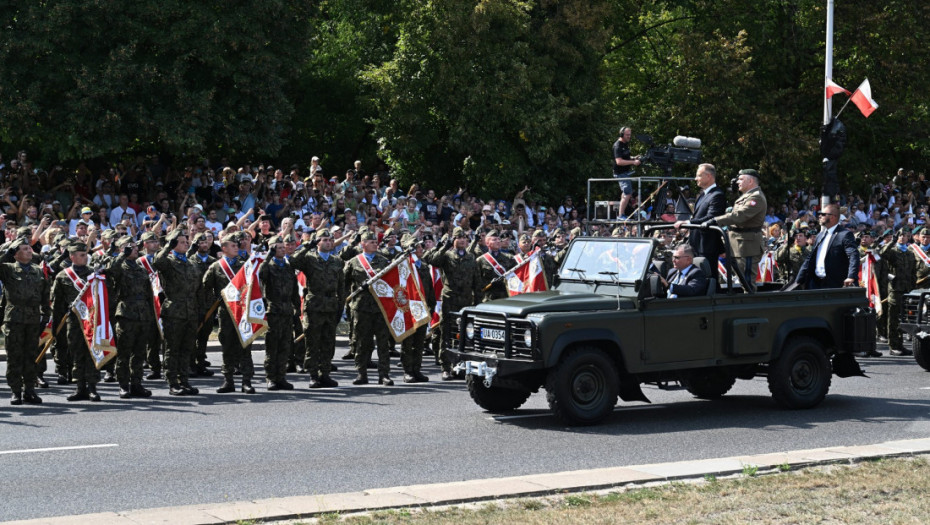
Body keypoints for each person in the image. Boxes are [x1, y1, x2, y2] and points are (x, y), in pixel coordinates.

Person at [290, 228, 345, 388]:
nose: (328, 242)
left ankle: (325, 374)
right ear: (317, 242)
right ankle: (313, 375)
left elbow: (341, 286)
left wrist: (340, 306)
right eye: (324, 240)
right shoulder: (309, 258)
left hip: (331, 305)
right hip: (314, 305)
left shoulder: (337, 261)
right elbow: (293, 261)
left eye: (330, 240)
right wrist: (307, 245)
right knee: (313, 342)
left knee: (328, 342)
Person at [423, 227, 480, 380]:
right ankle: (446, 367)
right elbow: (432, 260)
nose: (462, 240)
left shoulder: (471, 257)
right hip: (450, 299)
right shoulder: (447, 256)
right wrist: (443, 246)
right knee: (446, 334)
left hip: (466, 301)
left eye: (464, 238)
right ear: (453, 240)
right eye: (458, 238)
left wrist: (479, 302)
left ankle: (461, 366)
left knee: (465, 335)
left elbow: (476, 281)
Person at [202, 232, 255, 394]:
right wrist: (213, 301)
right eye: (232, 246)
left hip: (242, 311)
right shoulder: (216, 267)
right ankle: (228, 380)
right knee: (227, 347)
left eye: (236, 245)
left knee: (245, 345)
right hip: (226, 313)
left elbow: (253, 283)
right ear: (223, 248)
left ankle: (246, 381)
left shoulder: (244, 264)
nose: (236, 247)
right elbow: (205, 287)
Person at [0, 238, 51, 405]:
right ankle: (16, 391)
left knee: (31, 355)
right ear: (16, 254)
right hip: (14, 318)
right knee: (15, 356)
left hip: (33, 318)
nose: (29, 251)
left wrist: (46, 314)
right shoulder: (8, 269)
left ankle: (30, 389)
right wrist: (6, 253)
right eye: (25, 249)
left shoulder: (38, 271)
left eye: (30, 248)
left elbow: (45, 294)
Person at [152, 230, 202, 396]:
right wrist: (168, 246)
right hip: (174, 311)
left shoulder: (189, 262)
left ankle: (184, 380)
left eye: (185, 241)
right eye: (180, 242)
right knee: (172, 349)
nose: (185, 243)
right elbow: (157, 261)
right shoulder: (169, 261)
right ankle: (173, 382)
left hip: (191, 311)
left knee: (187, 348)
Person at [104, 237, 155, 398]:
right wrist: (121, 255)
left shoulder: (141, 269)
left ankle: (137, 383)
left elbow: (148, 293)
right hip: (126, 313)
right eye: (129, 247)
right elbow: (110, 269)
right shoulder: (120, 266)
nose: (134, 249)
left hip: (143, 313)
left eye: (134, 247)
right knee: (124, 352)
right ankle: (123, 385)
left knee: (139, 352)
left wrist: (150, 314)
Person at [702, 168, 767, 291]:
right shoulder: (747, 196)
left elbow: (739, 215)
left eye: (741, 179)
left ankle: (749, 306)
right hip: (739, 244)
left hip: (747, 246)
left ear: (751, 181)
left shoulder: (756, 197)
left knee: (747, 281)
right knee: (742, 278)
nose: (738, 182)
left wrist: (716, 220)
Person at [51, 243, 101, 401]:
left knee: (92, 353)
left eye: (86, 254)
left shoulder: (95, 274)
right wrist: (55, 327)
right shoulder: (63, 276)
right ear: (72, 256)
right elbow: (58, 303)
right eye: (81, 255)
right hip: (73, 320)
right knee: (76, 353)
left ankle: (92, 387)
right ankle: (80, 387)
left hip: (92, 319)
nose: (85, 257)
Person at [344, 230, 395, 385]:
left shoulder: (384, 261)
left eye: (375, 242)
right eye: (371, 242)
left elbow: (391, 283)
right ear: (363, 244)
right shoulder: (353, 262)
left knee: (383, 342)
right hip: (361, 308)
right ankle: (361, 373)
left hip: (380, 307)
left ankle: (384, 374)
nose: (375, 244)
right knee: (361, 341)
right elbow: (344, 284)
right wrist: (347, 304)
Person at [258, 235, 300, 390]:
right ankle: (271, 378)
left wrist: (297, 306)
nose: (282, 250)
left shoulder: (288, 266)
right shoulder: (268, 266)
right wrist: (269, 254)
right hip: (273, 311)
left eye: (283, 247)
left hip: (287, 311)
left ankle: (281, 377)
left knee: (285, 346)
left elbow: (294, 289)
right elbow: (260, 275)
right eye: (278, 248)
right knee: (272, 346)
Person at [676, 163, 725, 279]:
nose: (695, 179)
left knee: (709, 278)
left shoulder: (717, 195)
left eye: (698, 175)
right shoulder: (703, 195)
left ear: (708, 176)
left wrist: (687, 223)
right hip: (697, 244)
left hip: (707, 246)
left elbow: (711, 218)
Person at [795, 204, 859, 289]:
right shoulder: (820, 235)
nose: (819, 216)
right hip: (816, 284)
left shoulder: (845, 235)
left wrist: (851, 276)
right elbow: (810, 259)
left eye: (823, 214)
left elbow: (853, 255)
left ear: (833, 217)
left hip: (835, 285)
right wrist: (798, 280)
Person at [400, 235, 434, 383]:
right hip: (408, 308)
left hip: (422, 307)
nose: (421, 249)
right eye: (418, 247)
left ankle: (417, 369)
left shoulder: (424, 266)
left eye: (421, 247)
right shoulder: (404, 265)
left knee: (419, 342)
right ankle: (408, 371)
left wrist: (431, 306)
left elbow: (430, 289)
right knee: (408, 342)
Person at [879, 228, 917, 356]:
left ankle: (900, 345)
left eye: (904, 236)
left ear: (908, 238)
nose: (902, 238)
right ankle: (894, 346)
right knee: (893, 319)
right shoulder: (893, 251)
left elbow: (913, 273)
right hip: (895, 290)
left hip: (907, 290)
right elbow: (882, 254)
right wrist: (891, 241)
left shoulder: (910, 253)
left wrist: (913, 287)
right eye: (900, 236)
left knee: (903, 319)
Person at [612, 127, 641, 219]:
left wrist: (633, 158)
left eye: (630, 135)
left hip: (626, 172)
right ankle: (621, 215)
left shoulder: (625, 144)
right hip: (620, 173)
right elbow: (619, 161)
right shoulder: (618, 146)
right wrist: (633, 162)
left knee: (625, 193)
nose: (629, 136)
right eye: (627, 135)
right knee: (627, 193)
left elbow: (625, 157)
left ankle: (622, 213)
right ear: (622, 135)